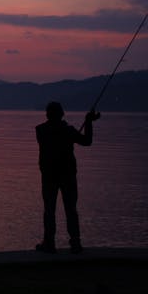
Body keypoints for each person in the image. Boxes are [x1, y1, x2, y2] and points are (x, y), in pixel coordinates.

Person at [35, 102, 100, 254]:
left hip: (50, 176)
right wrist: (89, 122)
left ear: (47, 115)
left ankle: (50, 243)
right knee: (70, 209)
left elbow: (82, 141)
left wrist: (87, 122)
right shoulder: (67, 131)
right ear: (62, 114)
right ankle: (75, 243)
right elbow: (87, 141)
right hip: (67, 176)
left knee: (50, 210)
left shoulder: (41, 130)